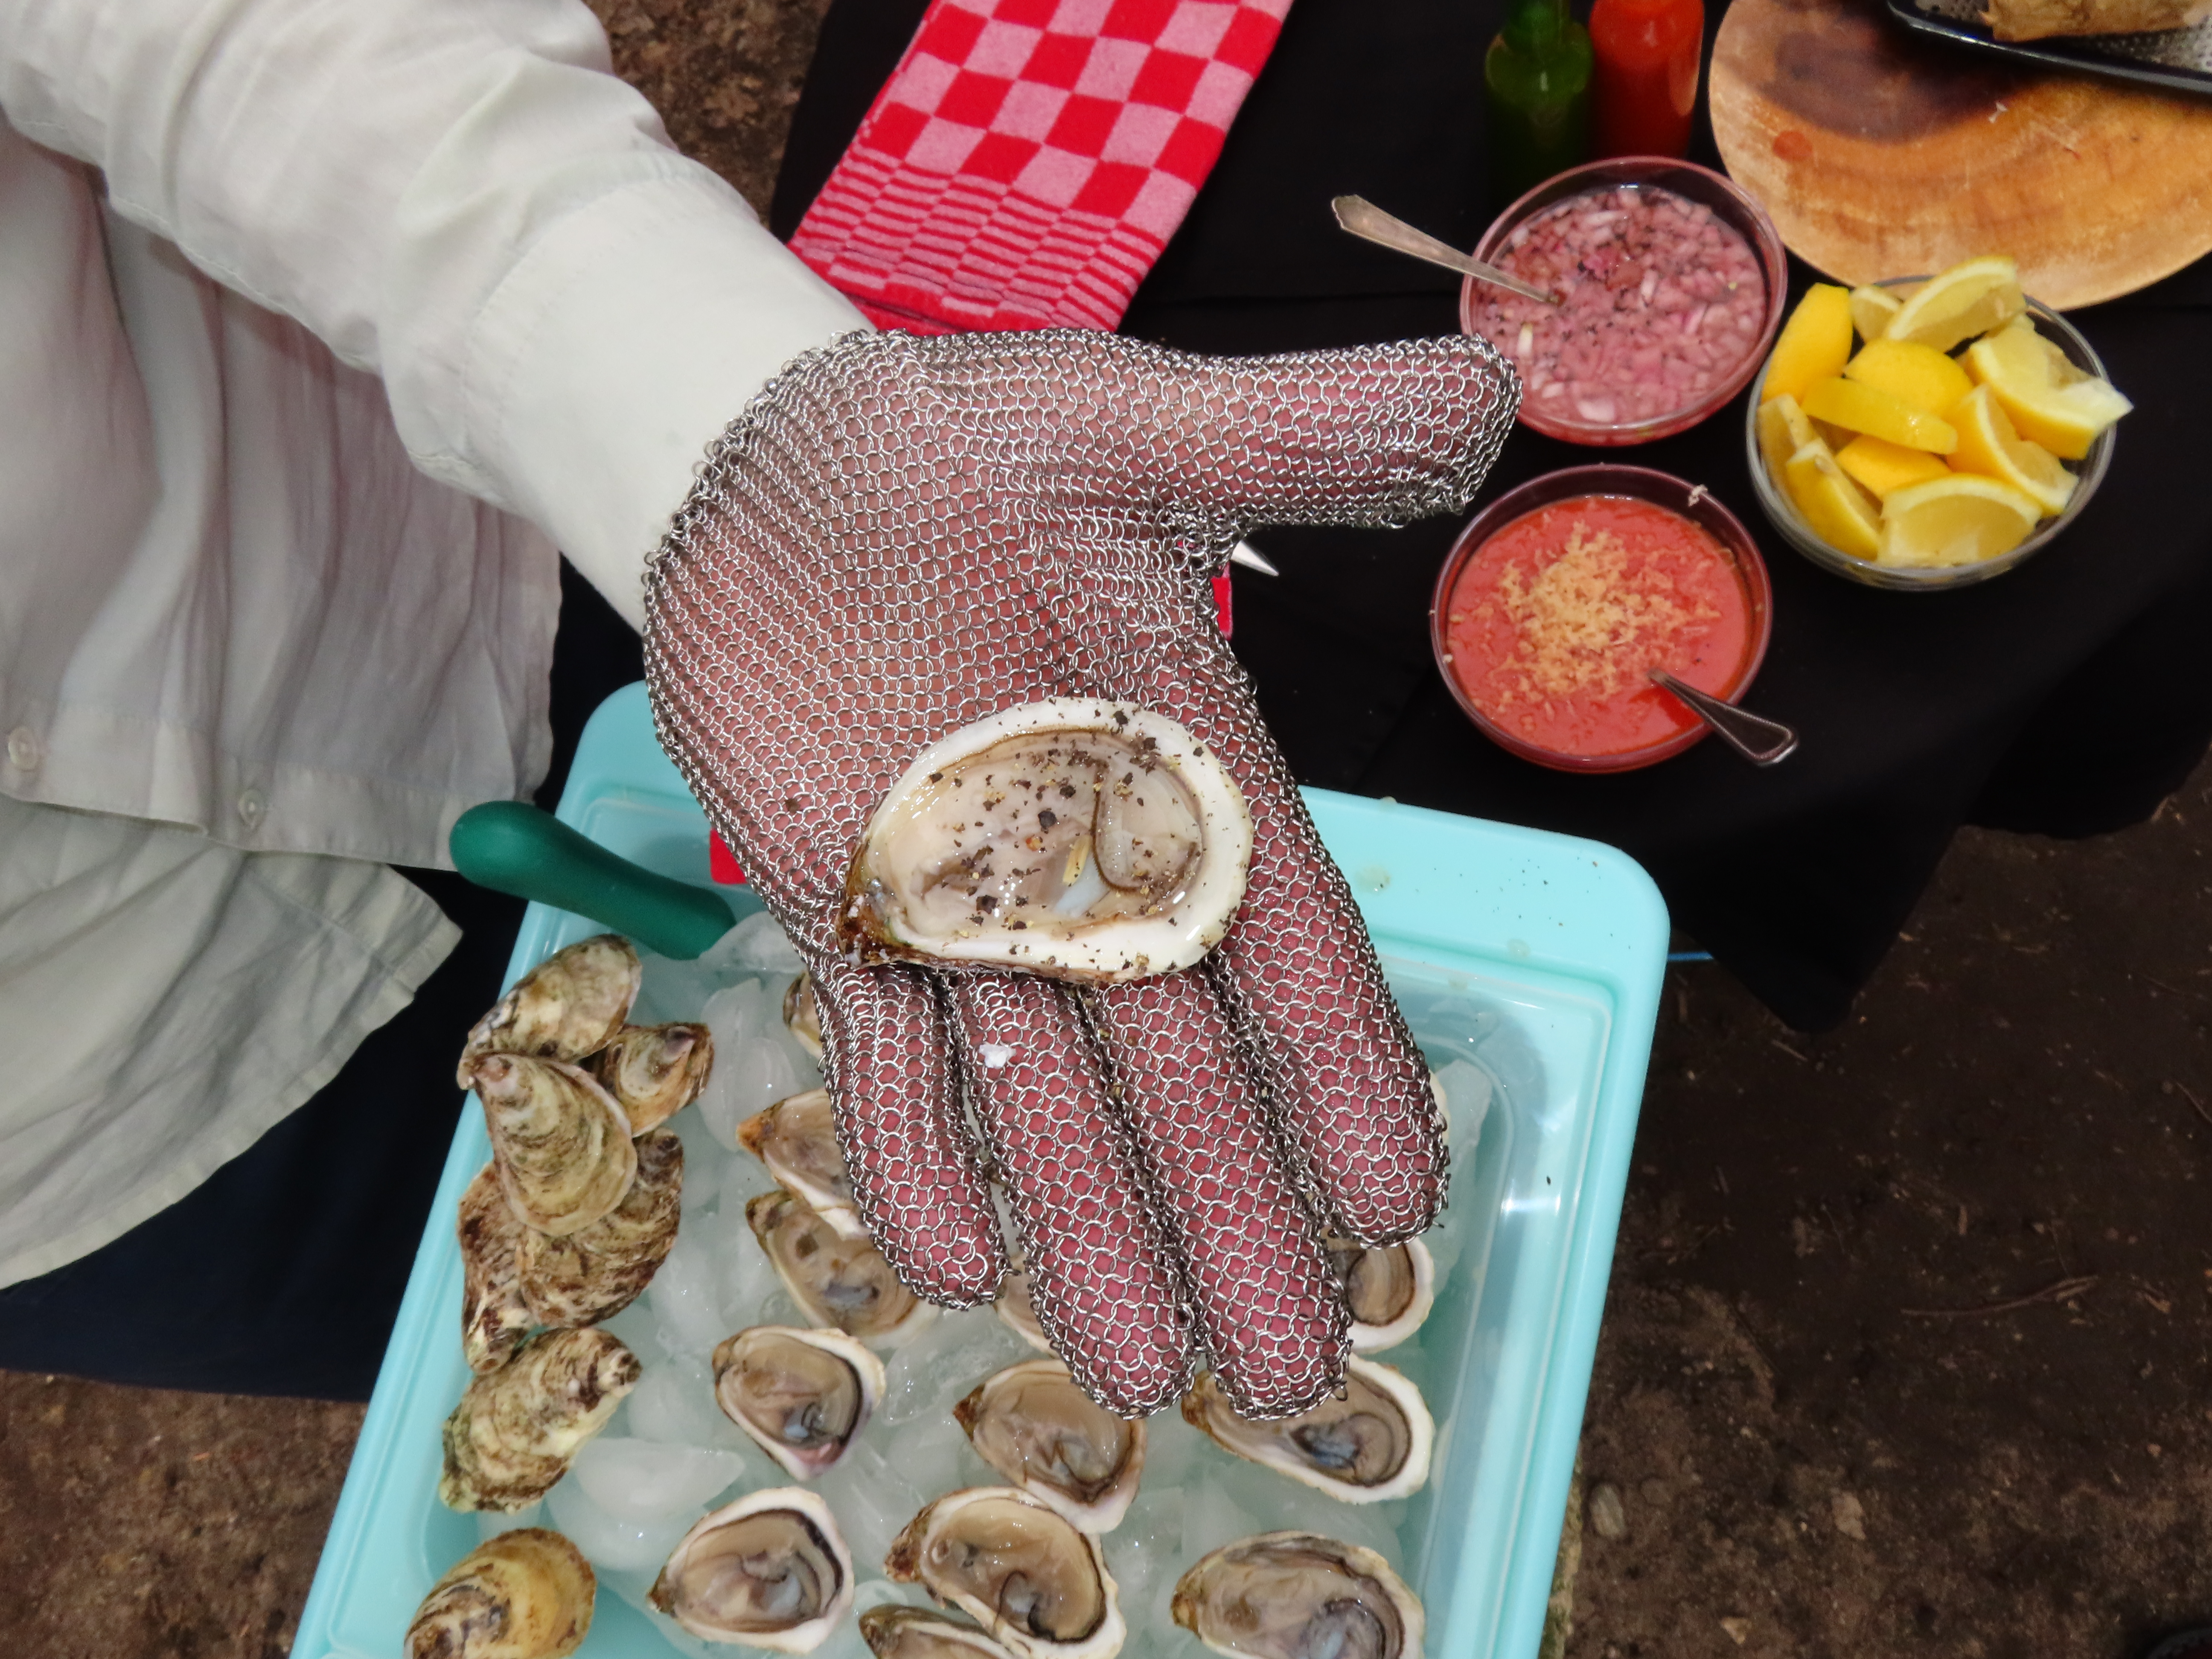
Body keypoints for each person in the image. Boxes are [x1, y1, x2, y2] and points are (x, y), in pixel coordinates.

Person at [0, 0, 1510, 1404]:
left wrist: (693, 397)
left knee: (1059, 1133)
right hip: (110, 1133)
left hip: (446, 541)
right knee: (558, 1337)